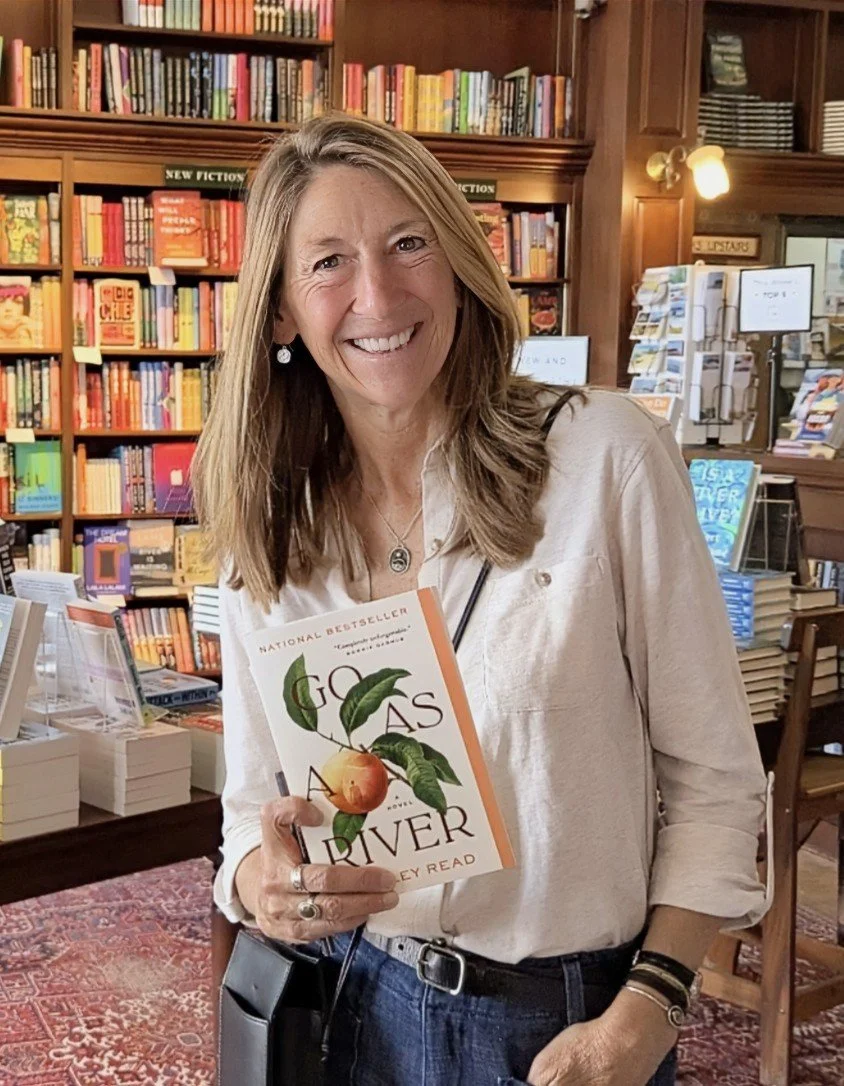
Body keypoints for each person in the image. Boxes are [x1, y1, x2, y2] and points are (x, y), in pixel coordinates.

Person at [193, 113, 771, 1086]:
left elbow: (716, 780)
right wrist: (265, 883)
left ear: (460, 264)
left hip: (563, 1021)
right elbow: (251, 811)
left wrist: (646, 1017)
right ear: (282, 311)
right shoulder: (273, 526)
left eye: (408, 243)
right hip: (353, 1002)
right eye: (328, 262)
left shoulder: (604, 460)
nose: (378, 294)